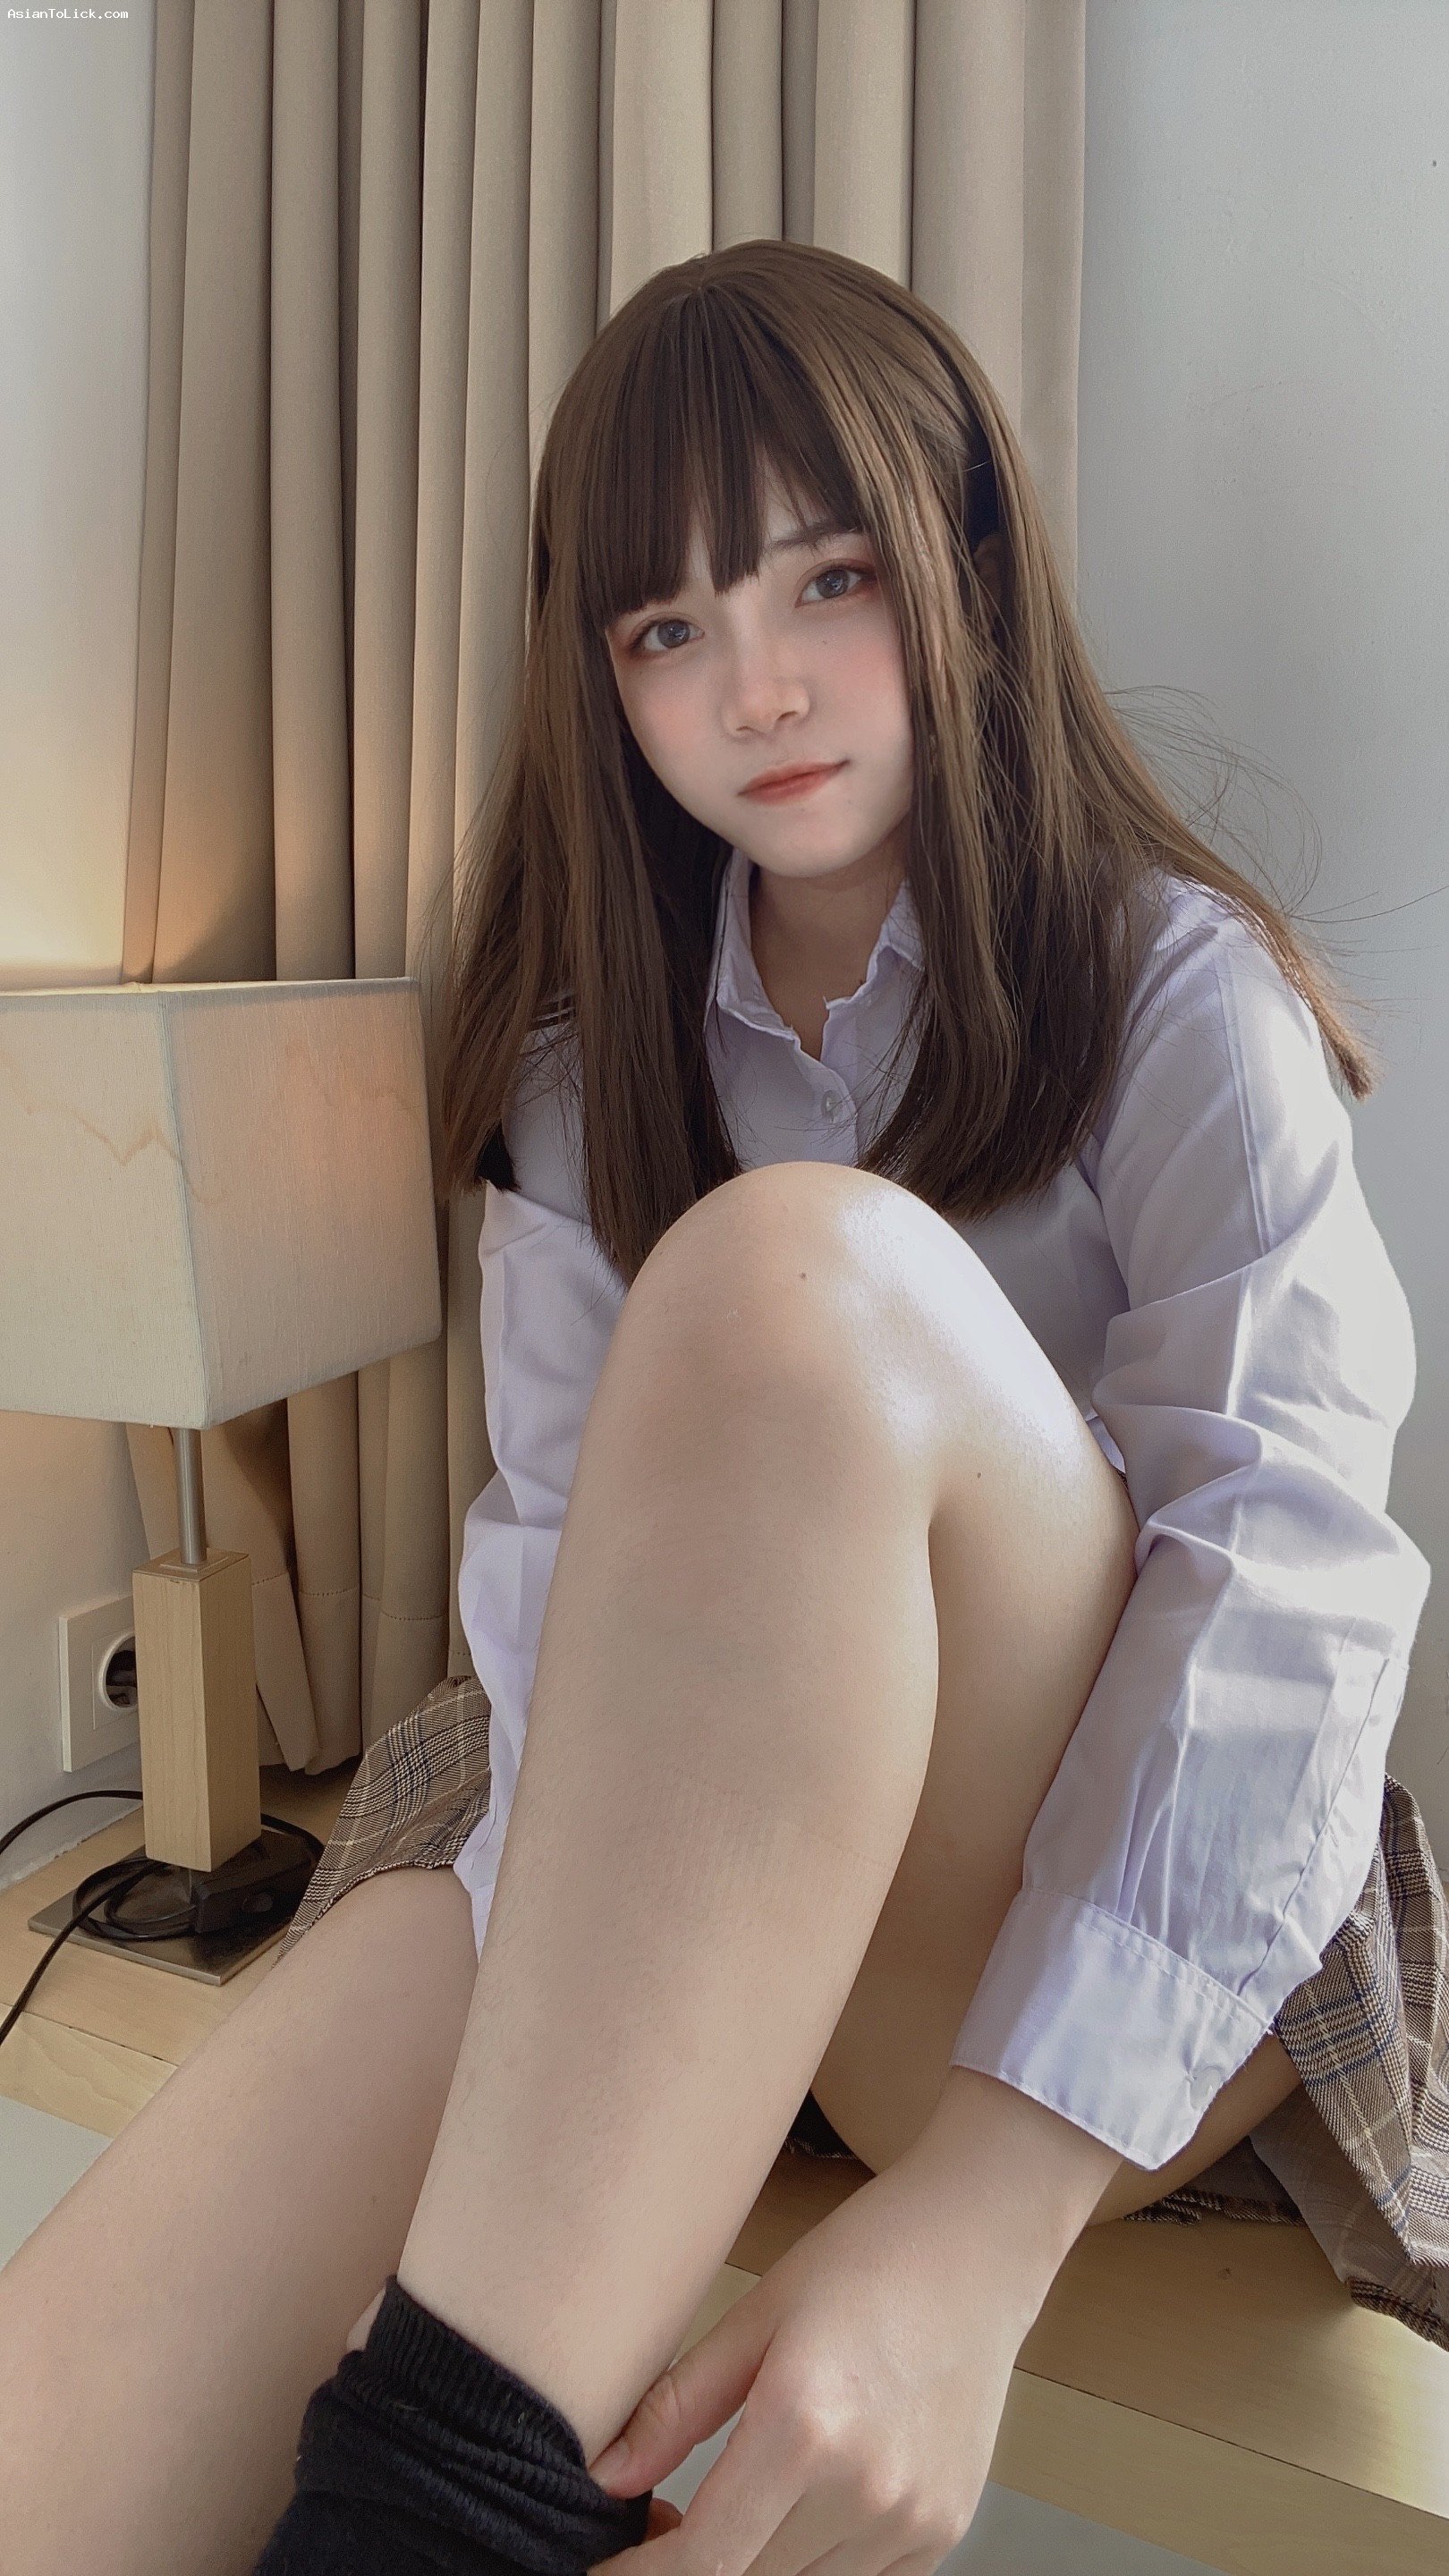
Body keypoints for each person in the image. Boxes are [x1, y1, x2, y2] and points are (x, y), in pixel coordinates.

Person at [0, 238, 1435, 2576]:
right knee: (54, 2415)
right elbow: (566, 1628)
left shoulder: (1175, 992)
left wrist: (975, 2229)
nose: (754, 685)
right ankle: (438, 2472)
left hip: (1104, 1895)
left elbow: (1284, 1595)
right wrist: (521, 2172)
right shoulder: (593, 1068)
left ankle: (442, 2495)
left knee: (785, 1284)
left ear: (967, 573)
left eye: (826, 579)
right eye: (664, 629)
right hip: (688, 1829)